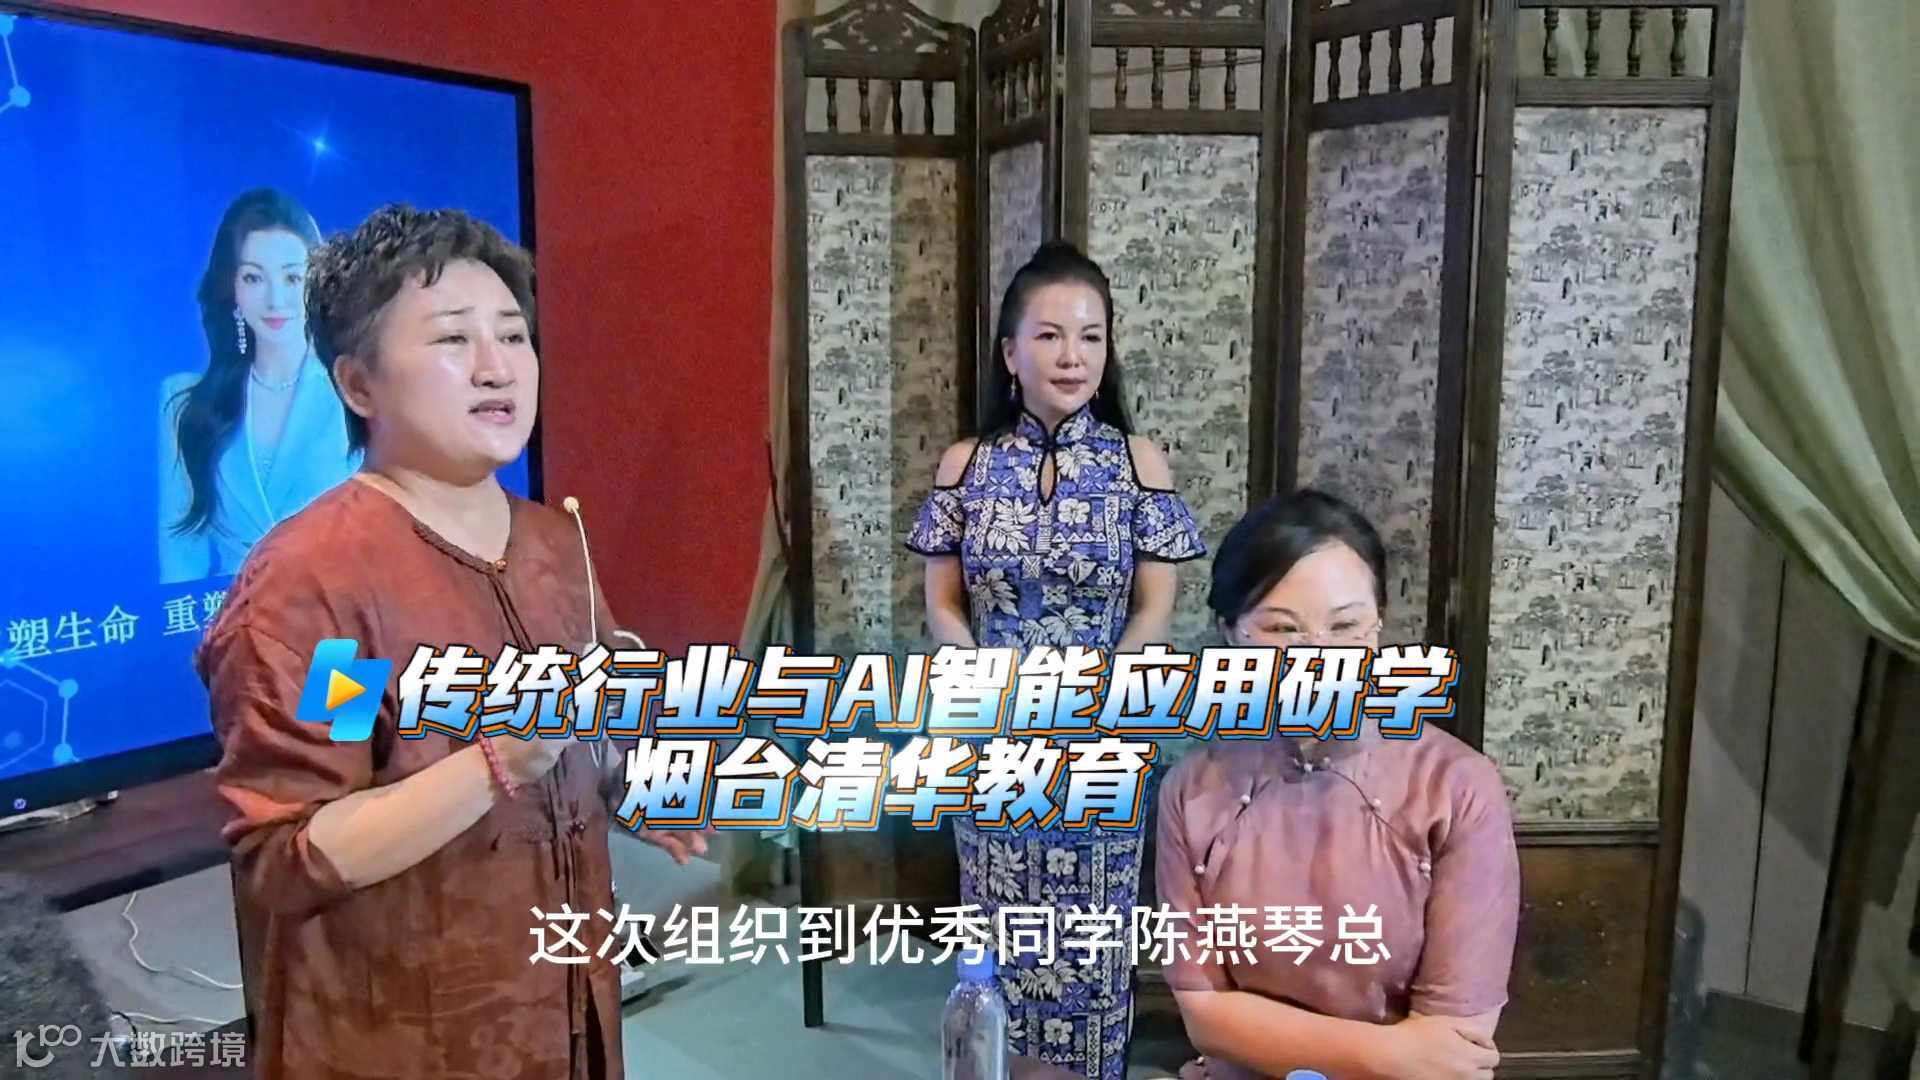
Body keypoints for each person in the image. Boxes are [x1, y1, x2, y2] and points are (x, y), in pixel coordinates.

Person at [195, 205, 707, 1080]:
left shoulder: (554, 543)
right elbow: (294, 852)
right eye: (451, 338)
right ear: (358, 385)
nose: (495, 365)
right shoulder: (324, 584)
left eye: (512, 334)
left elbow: (588, 735)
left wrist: (641, 784)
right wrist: (497, 761)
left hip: (567, 1013)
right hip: (401, 1041)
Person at [906, 240, 1207, 1080]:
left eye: (1090, 336)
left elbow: (1153, 609)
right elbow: (943, 604)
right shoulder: (966, 465)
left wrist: (1092, 702)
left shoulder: (1139, 464)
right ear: (1010, 353)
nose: (1073, 355)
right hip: (992, 739)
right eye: (1049, 335)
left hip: (1100, 741)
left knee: (1092, 954)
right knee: (997, 942)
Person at [1156, 490, 1520, 1080]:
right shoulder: (1194, 788)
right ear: (1230, 633)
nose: (1319, 658)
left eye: (1346, 627)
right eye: (1282, 629)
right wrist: (1397, 1052)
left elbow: (1457, 1043)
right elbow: (1205, 1016)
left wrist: (1257, 1032)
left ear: (1378, 627)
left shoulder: (1456, 786)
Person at [160, 188, 361, 585]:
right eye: (254, 277)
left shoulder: (356, 387)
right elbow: (180, 555)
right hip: (233, 616)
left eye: (292, 277)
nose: (275, 299)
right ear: (232, 288)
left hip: (345, 613)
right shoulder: (184, 401)